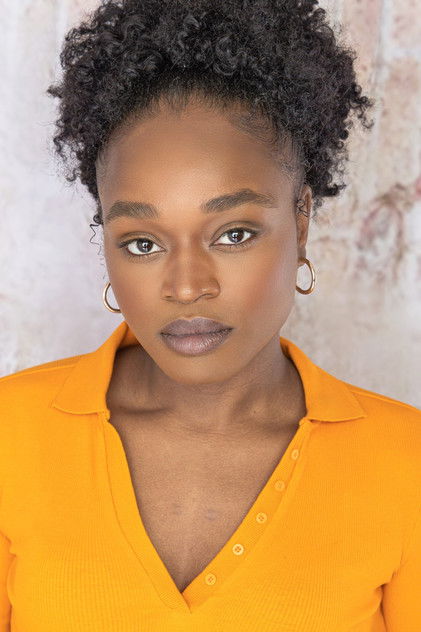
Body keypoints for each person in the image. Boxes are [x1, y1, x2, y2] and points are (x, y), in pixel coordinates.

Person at [0, 0, 420, 629]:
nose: (187, 286)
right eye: (143, 243)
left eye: (233, 234)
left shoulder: (405, 463)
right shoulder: (11, 434)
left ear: (301, 221)